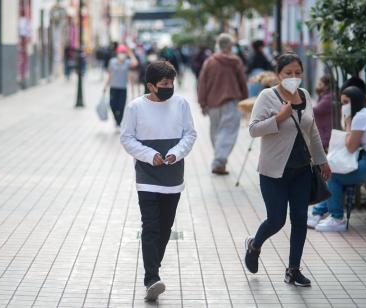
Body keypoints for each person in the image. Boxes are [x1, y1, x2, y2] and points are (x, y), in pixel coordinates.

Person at [245, 53, 331, 286]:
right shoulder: (267, 96)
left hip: (302, 170)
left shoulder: (304, 95)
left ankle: (293, 270)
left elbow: (311, 131)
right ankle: (254, 245)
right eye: (288, 73)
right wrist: (279, 118)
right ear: (278, 75)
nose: (293, 77)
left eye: (297, 73)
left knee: (300, 220)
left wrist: (322, 160)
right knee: (276, 220)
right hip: (273, 171)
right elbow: (253, 130)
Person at [120, 61, 197, 301]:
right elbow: (127, 138)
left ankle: (154, 269)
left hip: (173, 176)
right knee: (151, 226)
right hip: (147, 176)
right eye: (164, 84)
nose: (169, 87)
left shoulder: (181, 104)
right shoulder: (135, 107)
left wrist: (177, 152)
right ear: (151, 85)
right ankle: (151, 277)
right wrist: (150, 155)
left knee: (165, 227)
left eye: (171, 83)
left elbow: (190, 134)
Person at [308, 86, 366, 232]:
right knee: (339, 174)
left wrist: (348, 121)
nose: (344, 106)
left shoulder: (360, 117)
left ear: (354, 101)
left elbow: (350, 146)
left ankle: (336, 219)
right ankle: (318, 212)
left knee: (334, 175)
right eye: (342, 103)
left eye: (346, 102)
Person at [197, 33, 249, 175]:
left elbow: (202, 83)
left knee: (216, 133)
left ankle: (220, 161)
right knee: (227, 133)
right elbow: (242, 82)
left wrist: (202, 102)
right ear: (230, 46)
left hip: (212, 103)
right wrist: (245, 99)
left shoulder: (209, 62)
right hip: (231, 102)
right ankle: (219, 162)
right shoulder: (235, 61)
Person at [104, 44, 139, 128]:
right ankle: (116, 119)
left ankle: (118, 122)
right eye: (121, 52)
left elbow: (135, 63)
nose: (122, 54)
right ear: (117, 53)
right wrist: (105, 86)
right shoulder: (112, 61)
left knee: (121, 106)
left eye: (123, 52)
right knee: (112, 104)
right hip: (113, 87)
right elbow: (110, 75)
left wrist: (130, 53)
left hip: (123, 88)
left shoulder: (127, 62)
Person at [313, 75, 333, 150]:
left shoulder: (328, 98)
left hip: (326, 133)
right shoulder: (324, 96)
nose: (318, 87)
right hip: (324, 131)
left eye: (320, 84)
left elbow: (316, 110)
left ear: (326, 86)